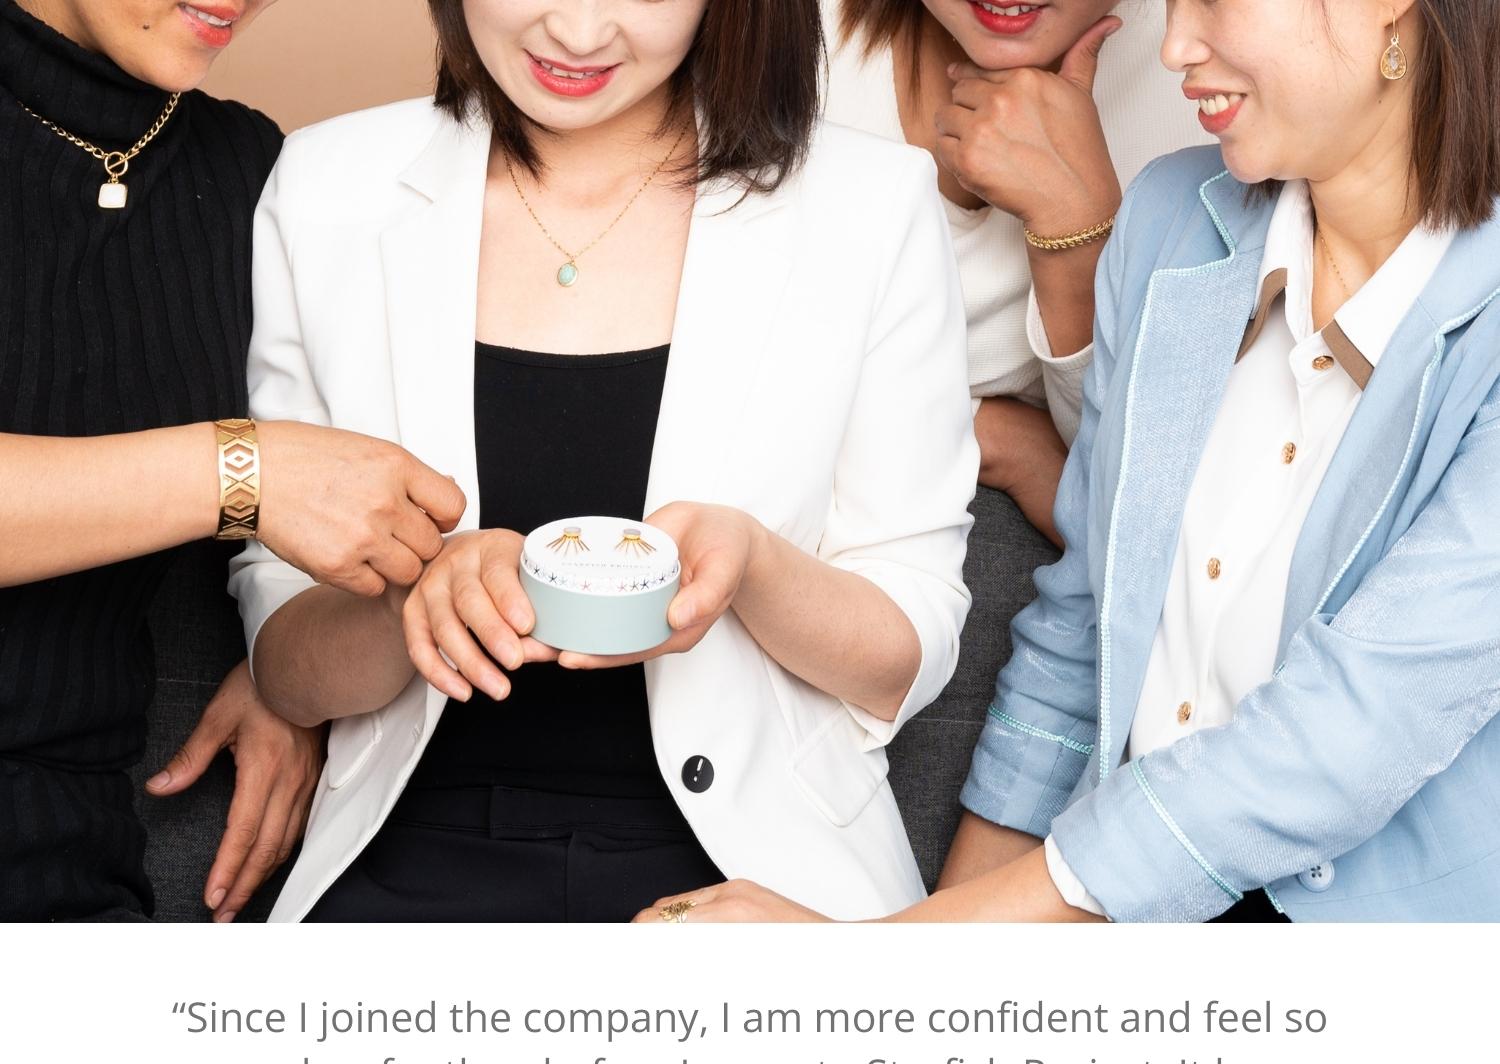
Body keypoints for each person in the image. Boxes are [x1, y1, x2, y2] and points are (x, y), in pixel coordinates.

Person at [641, 0, 1500, 923]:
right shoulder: (1177, 219)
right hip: (1107, 919)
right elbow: (1079, 642)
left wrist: (880, 965)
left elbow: (1354, 730)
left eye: (1214, 1)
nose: (1174, 46)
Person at [230, 0, 977, 922]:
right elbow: (284, 666)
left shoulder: (871, 204)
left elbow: (908, 653)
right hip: (409, 855)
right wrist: (411, 604)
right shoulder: (325, 188)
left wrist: (750, 565)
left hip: (755, 879)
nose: (579, 34)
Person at [0, 0, 467, 922]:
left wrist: (277, 673)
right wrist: (242, 475)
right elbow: (266, 477)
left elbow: (291, 543)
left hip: (65, 862)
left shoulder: (248, 172)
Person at [824, 0, 1201, 883]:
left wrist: (1078, 235)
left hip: (1044, 587)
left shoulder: (1206, 77)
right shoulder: (776, 45)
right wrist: (989, 440)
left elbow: (1174, 532)